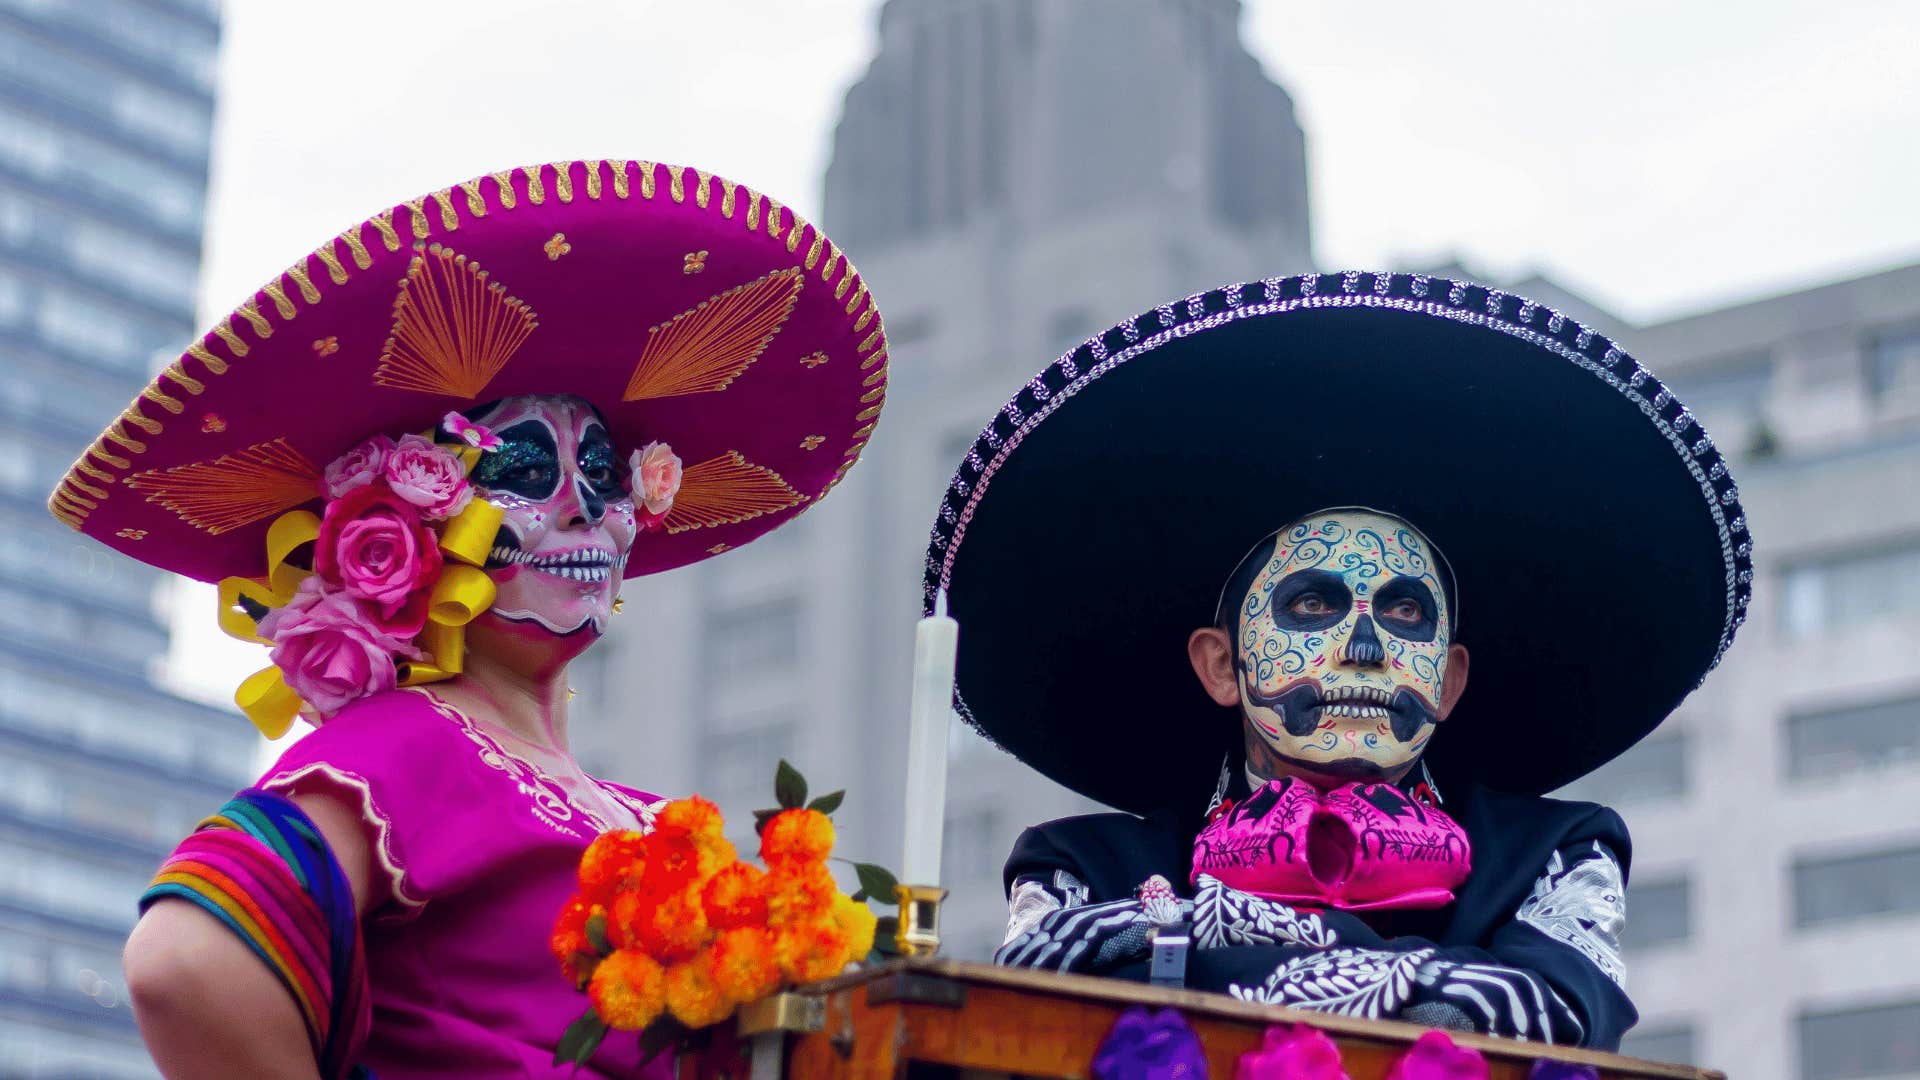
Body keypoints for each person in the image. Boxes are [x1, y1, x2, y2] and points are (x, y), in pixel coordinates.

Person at [50, 160, 889, 1078]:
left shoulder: (651, 822)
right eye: (525, 471)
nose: (582, 506)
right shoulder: (411, 744)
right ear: (411, 521)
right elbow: (184, 964)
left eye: (605, 475)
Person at [920, 271, 1752, 1049]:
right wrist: (1413, 979)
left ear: (1449, 679)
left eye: (1403, 611)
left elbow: (1547, 1013)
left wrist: (1186, 936)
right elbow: (1034, 1005)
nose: (1364, 649)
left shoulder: (1560, 853)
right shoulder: (1080, 867)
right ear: (1222, 666)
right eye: (1313, 607)